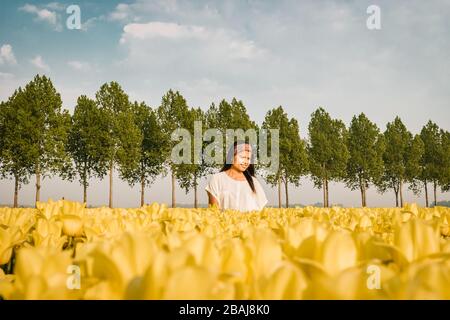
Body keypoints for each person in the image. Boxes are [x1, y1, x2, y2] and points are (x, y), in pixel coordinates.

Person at [205, 140, 268, 212]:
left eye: (248, 158)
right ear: (231, 157)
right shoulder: (217, 179)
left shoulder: (254, 182)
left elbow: (261, 213)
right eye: (242, 157)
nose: (246, 162)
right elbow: (213, 211)